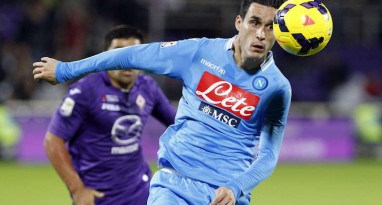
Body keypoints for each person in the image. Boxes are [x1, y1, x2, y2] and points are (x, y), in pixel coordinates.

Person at [33, 0, 292, 204]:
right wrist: (67, 70)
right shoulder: (198, 53)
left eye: (270, 26)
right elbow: (131, 55)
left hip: (226, 195)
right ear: (239, 22)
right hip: (174, 186)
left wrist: (236, 187)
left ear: (278, 32)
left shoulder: (278, 88)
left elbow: (268, 155)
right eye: (254, 22)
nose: (260, 34)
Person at [42, 24, 176, 205]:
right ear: (106, 57)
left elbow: (178, 124)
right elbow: (53, 141)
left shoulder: (148, 87)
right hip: (99, 197)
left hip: (142, 192)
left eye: (133, 52)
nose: (126, 60)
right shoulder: (86, 90)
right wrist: (77, 189)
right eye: (118, 53)